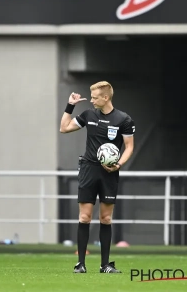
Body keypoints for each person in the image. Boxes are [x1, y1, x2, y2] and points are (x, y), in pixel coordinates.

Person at [59, 81, 135, 274]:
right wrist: (70, 106)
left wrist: (118, 164)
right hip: (88, 169)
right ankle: (80, 264)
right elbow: (64, 128)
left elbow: (129, 147)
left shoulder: (123, 119)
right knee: (84, 217)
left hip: (109, 172)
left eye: (94, 97)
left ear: (106, 97)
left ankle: (105, 265)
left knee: (106, 218)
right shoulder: (88, 115)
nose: (91, 100)